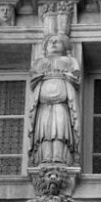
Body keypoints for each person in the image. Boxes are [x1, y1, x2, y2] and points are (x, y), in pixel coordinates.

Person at [28, 34, 80, 166]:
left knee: (60, 130)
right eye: (50, 41)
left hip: (61, 105)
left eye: (58, 41)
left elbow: (75, 77)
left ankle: (60, 158)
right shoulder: (40, 63)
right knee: (44, 132)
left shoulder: (69, 61)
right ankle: (45, 158)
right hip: (43, 106)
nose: (54, 42)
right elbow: (34, 79)